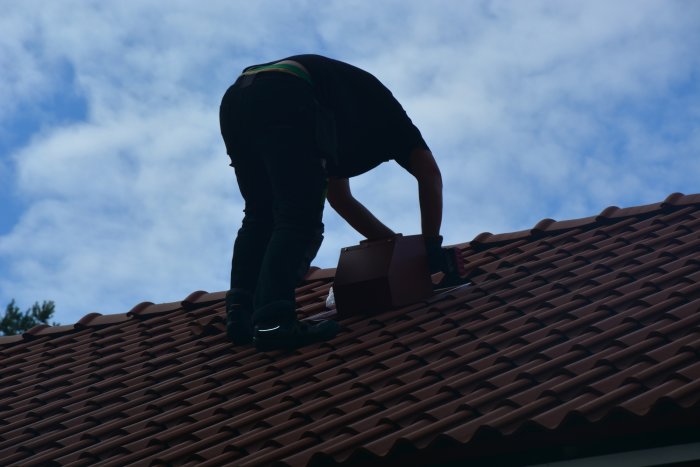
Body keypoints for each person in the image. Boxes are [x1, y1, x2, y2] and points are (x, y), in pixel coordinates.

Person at [219, 54, 451, 352]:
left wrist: (397, 247)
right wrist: (430, 244)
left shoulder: (339, 126)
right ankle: (273, 323)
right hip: (287, 92)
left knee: (260, 215)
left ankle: (241, 316)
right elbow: (430, 174)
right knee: (299, 219)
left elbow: (340, 198)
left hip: (239, 99)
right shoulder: (394, 125)